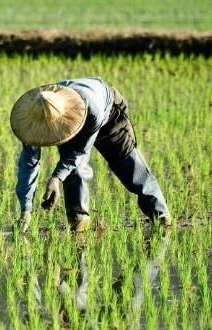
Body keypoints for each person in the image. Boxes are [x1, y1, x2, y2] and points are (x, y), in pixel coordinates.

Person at [10, 77, 171, 232]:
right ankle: (78, 223)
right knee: (74, 171)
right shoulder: (31, 122)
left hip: (108, 114)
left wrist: (56, 178)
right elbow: (28, 163)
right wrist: (26, 208)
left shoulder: (92, 109)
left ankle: (161, 216)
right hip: (69, 120)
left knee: (127, 164)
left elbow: (79, 151)